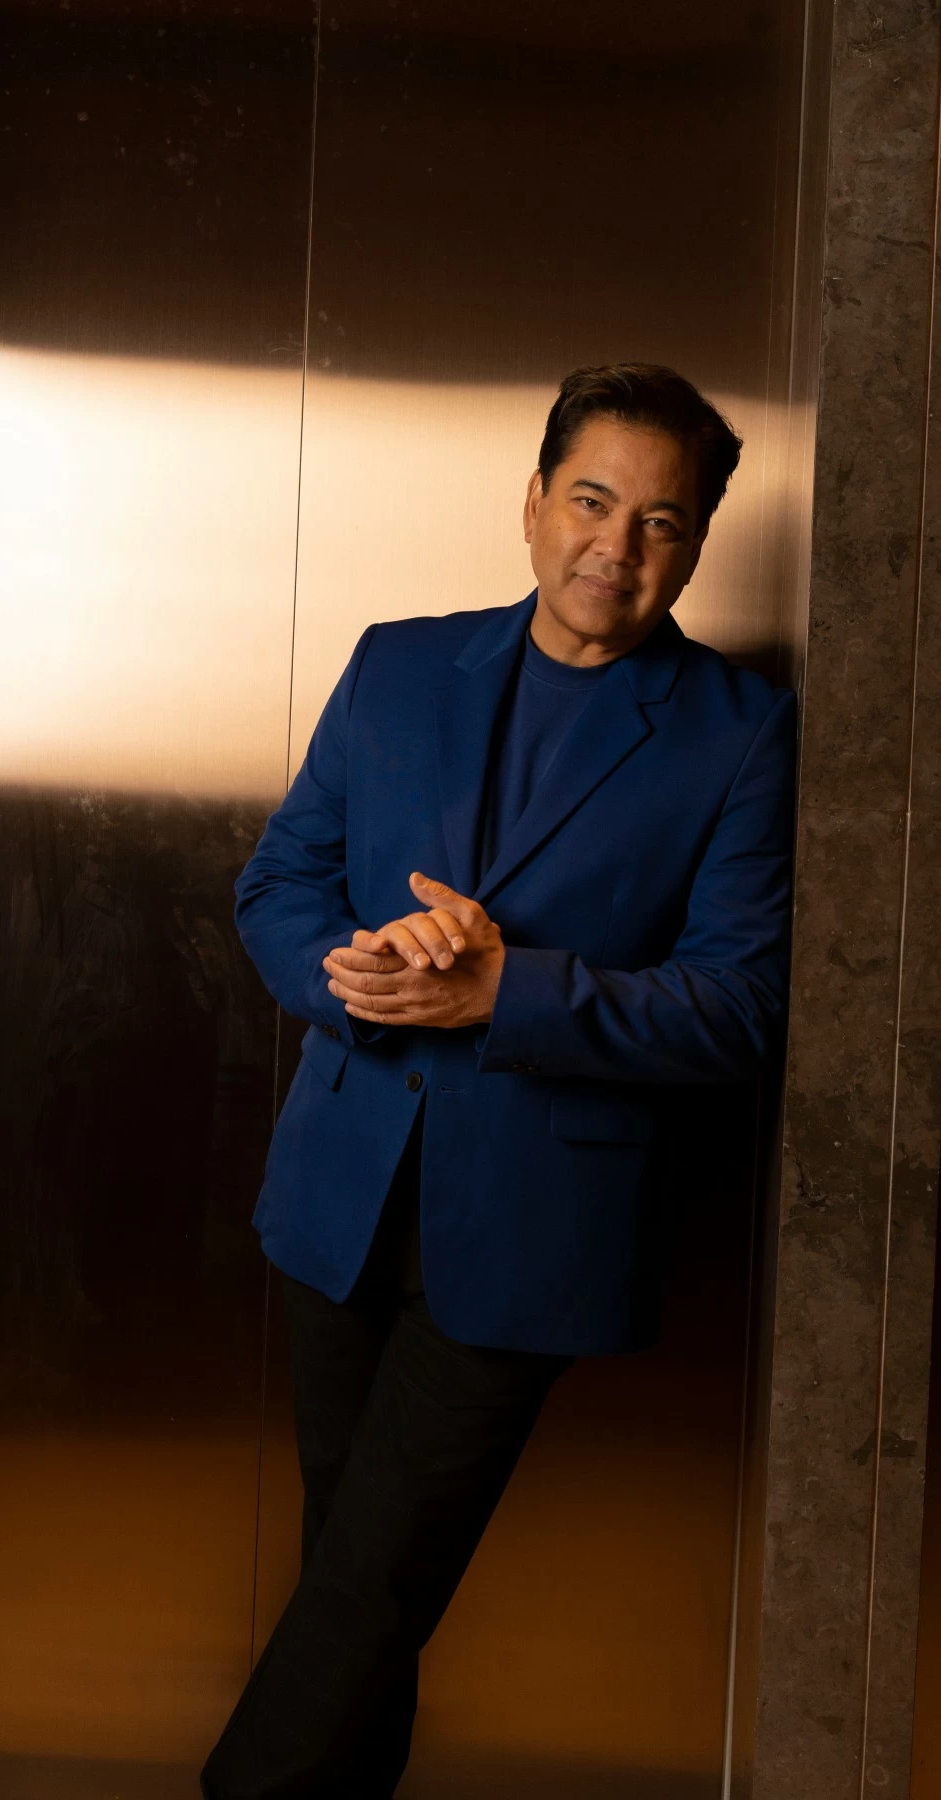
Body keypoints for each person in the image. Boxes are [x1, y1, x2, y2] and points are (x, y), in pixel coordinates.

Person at [201, 363, 797, 1799]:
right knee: (358, 1583)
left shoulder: (741, 732)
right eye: (591, 500)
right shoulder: (397, 666)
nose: (616, 545)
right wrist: (360, 972)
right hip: (341, 1196)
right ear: (533, 502)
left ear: (697, 544)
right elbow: (279, 884)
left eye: (662, 521)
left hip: (534, 1227)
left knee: (370, 1583)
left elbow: (742, 1008)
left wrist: (502, 990)